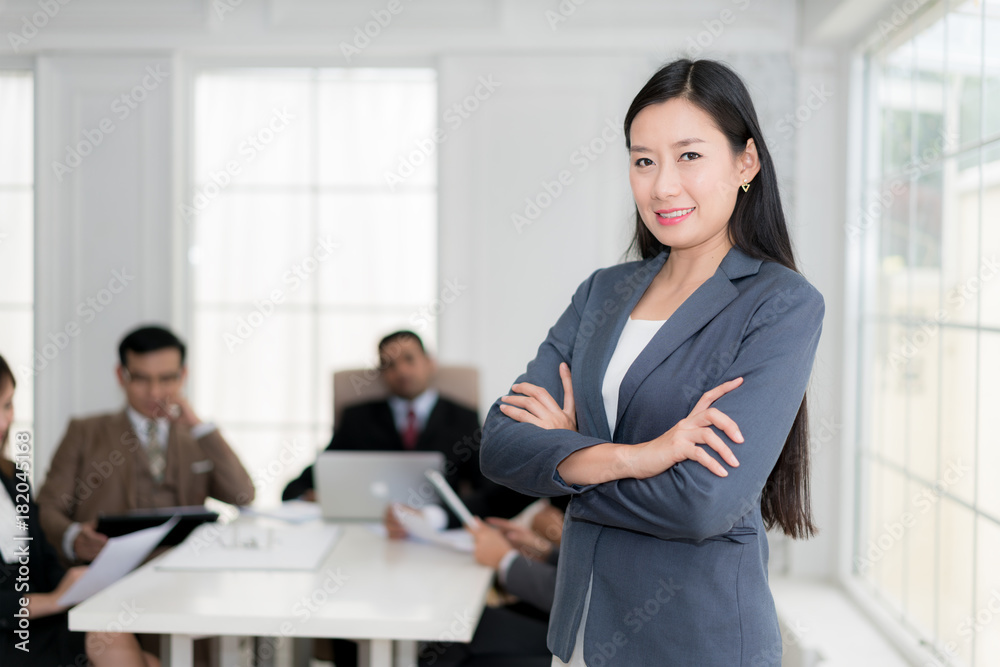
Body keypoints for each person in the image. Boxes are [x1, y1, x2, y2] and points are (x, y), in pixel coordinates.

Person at [479, 58, 825, 666]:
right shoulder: (601, 292)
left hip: (694, 641)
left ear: (745, 163)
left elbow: (702, 505)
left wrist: (568, 458)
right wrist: (635, 457)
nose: (662, 185)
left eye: (689, 156)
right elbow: (500, 447)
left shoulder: (781, 304)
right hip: (577, 636)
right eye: (644, 160)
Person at [37, 325, 255, 564]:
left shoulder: (196, 437)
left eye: (166, 379)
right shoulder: (85, 432)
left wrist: (199, 427)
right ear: (121, 376)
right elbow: (47, 507)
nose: (155, 392)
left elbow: (242, 495)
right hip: (105, 573)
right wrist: (73, 537)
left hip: (183, 571)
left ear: (183, 376)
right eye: (141, 379)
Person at [0, 353, 159, 666]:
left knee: (147, 658)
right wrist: (53, 600)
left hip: (36, 625)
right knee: (111, 639)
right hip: (11, 632)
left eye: (6, 405)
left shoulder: (12, 477)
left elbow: (44, 559)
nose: (5, 422)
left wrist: (81, 583)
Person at [283, 330, 532, 526]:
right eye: (389, 365)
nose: (401, 371)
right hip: (368, 532)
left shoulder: (462, 419)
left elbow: (488, 489)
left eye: (409, 359)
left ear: (429, 363)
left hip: (436, 531)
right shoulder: (358, 419)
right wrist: (310, 496)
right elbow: (297, 487)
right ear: (381, 374)